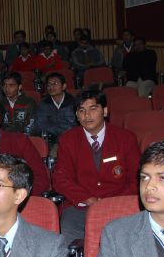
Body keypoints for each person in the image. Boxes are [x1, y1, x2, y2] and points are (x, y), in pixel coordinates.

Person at [52, 90, 140, 245]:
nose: (87, 115)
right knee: (68, 238)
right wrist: (89, 199)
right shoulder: (68, 140)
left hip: (118, 204)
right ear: (77, 115)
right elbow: (60, 178)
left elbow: (136, 177)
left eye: (93, 109)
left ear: (105, 111)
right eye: (82, 111)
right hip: (80, 207)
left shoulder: (126, 138)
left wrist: (110, 202)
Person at [33, 72, 77, 142]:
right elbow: (39, 126)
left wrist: (51, 126)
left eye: (55, 84)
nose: (51, 87)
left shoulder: (73, 102)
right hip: (50, 140)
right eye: (48, 85)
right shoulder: (44, 104)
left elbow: (73, 127)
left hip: (71, 139)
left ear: (64, 86)